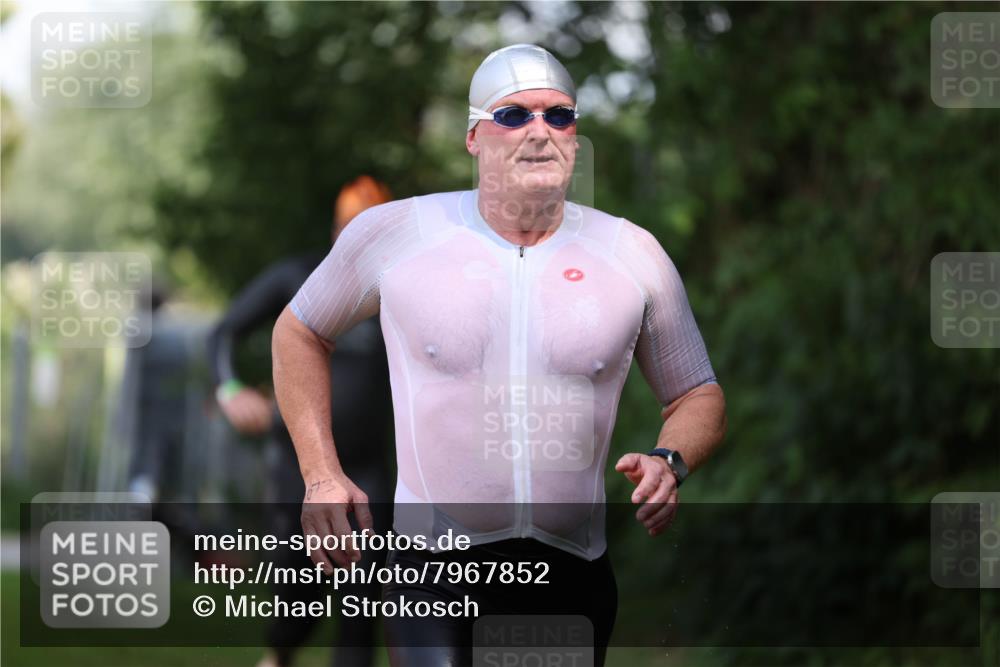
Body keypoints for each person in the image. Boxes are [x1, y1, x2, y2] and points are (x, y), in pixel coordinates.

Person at [272, 44, 727, 666]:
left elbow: (698, 393)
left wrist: (669, 461)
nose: (540, 132)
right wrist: (321, 473)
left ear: (575, 136)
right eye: (513, 115)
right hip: (429, 572)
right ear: (474, 137)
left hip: (567, 576)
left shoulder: (630, 253)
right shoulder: (396, 234)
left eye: (559, 115)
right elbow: (298, 332)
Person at [208, 176, 395, 667]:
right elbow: (225, 331)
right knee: (296, 596)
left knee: (361, 604)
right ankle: (278, 654)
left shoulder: (399, 287)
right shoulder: (298, 276)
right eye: (353, 229)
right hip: (298, 468)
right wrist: (230, 389)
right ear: (336, 231)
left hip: (367, 470)